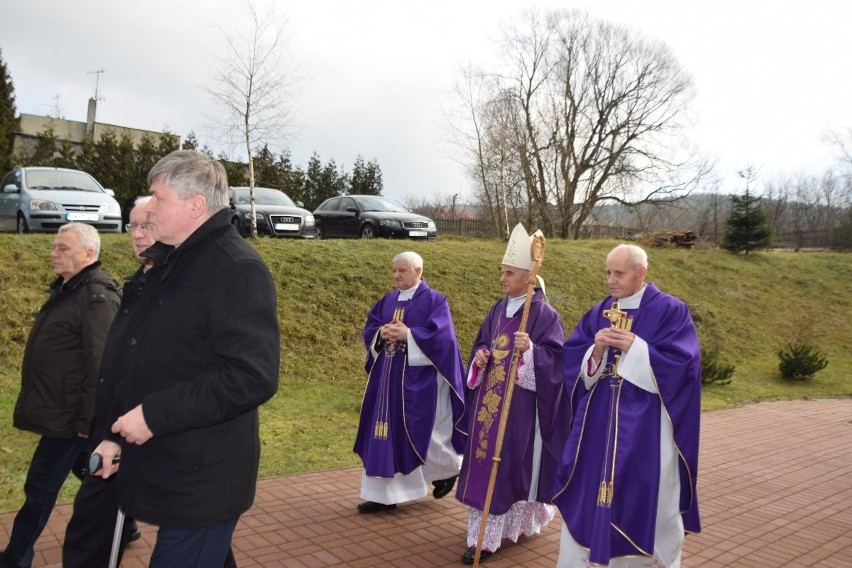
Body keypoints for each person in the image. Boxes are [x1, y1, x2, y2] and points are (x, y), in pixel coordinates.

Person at [90, 150, 280, 568]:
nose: (148, 209)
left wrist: (153, 416)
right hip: (169, 463)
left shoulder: (235, 269)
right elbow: (135, 356)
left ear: (196, 205)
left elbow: (252, 375)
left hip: (203, 477)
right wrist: (114, 433)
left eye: (158, 199)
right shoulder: (167, 264)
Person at [552, 244, 701, 567]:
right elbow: (573, 360)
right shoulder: (599, 312)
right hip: (598, 425)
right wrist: (594, 352)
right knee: (589, 490)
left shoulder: (670, 311)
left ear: (641, 272)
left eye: (619, 273)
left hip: (648, 428)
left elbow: (684, 366)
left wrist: (638, 349)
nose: (610, 280)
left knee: (644, 493)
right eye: (607, 272)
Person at [0, 223, 121, 568]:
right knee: (94, 474)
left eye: (62, 248)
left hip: (71, 419)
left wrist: (87, 421)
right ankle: (125, 528)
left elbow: (100, 364)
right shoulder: (71, 289)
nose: (53, 253)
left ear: (88, 253)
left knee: (39, 487)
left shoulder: (96, 297)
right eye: (54, 247)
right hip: (64, 412)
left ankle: (15, 557)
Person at [455, 224, 569, 565]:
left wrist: (531, 351)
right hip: (489, 407)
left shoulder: (544, 315)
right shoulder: (496, 310)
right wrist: (480, 357)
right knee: (485, 464)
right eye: (502, 272)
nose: (502, 278)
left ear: (526, 276)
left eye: (508, 273)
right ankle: (484, 533)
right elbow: (482, 343)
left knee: (507, 470)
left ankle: (492, 537)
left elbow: (557, 362)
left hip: (519, 409)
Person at [62, 197, 158, 568]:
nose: (137, 235)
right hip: (117, 426)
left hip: (140, 427)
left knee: (193, 534)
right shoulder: (138, 283)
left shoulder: (165, 287)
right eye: (132, 226)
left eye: (146, 224)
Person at [353, 251, 467, 514]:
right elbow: (370, 328)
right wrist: (380, 333)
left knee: (425, 436)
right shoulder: (387, 301)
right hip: (386, 383)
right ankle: (383, 496)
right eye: (394, 270)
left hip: (417, 383)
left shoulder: (434, 301)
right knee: (382, 433)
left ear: (418, 271)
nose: (396, 275)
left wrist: (410, 335)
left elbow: (443, 340)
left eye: (402, 270)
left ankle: (448, 472)